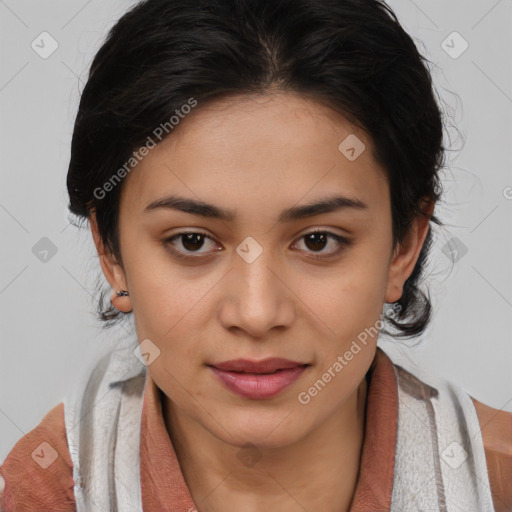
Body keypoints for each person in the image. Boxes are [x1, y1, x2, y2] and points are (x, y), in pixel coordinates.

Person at [1, 0, 510, 510]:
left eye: (318, 241)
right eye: (192, 241)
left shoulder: (497, 480)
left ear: (403, 246)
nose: (257, 313)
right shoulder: (47, 491)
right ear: (111, 253)